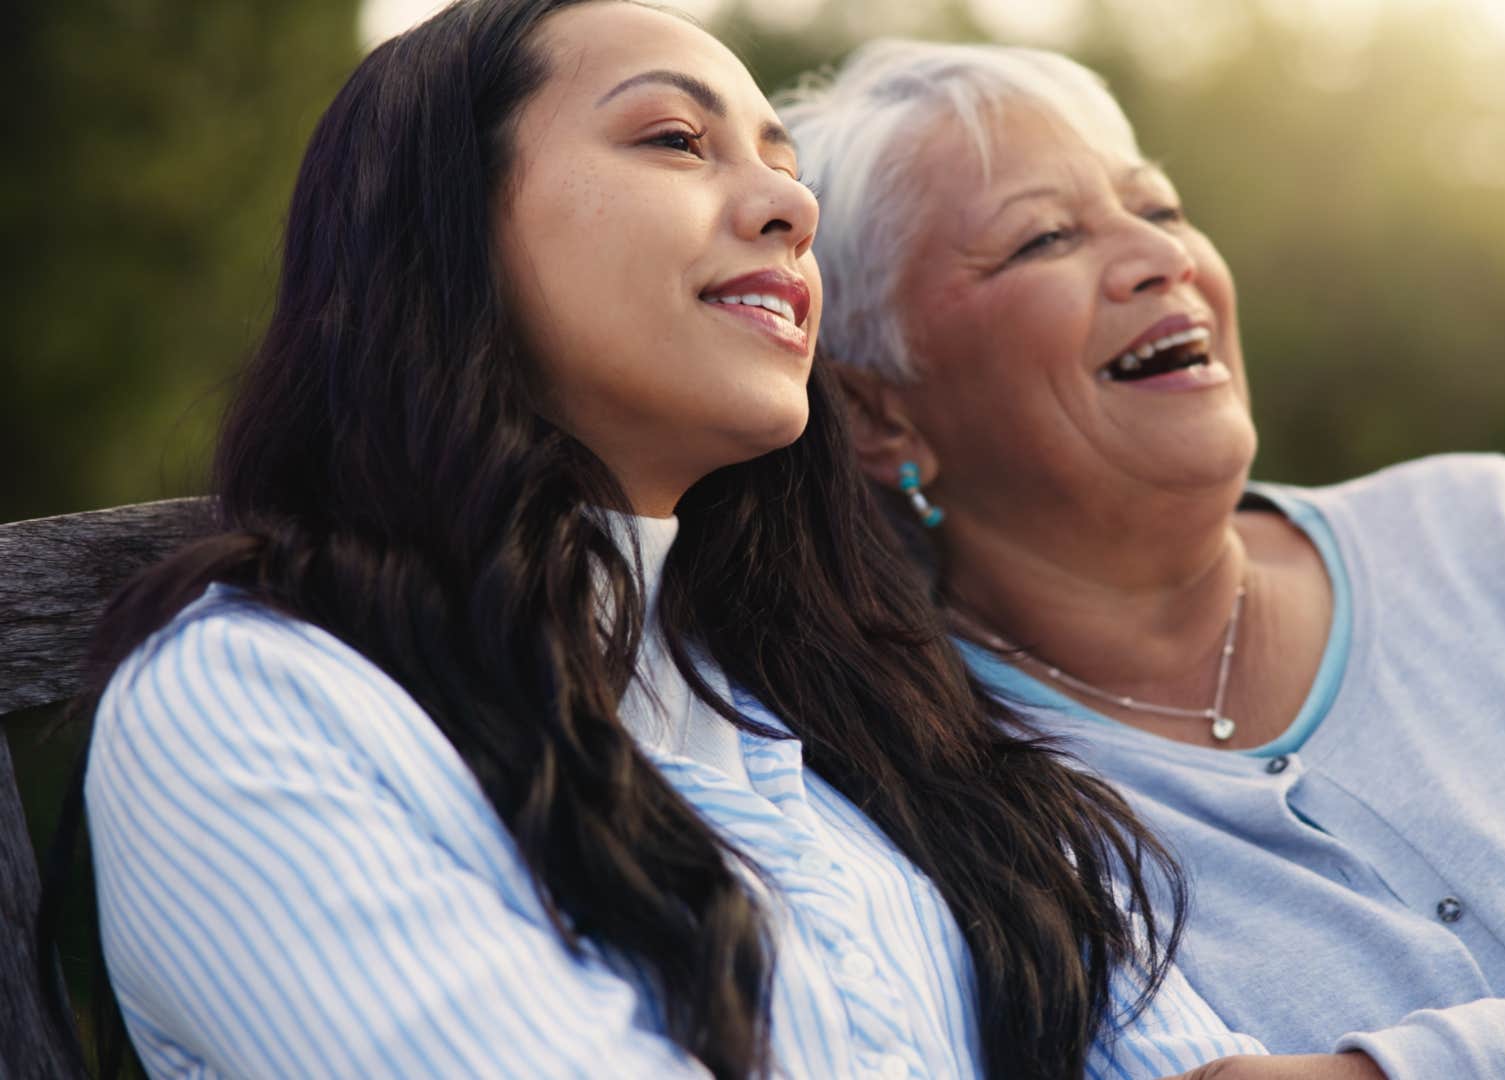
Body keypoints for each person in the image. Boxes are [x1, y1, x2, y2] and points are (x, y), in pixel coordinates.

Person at [61, 4, 1275, 1077]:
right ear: (443, 229)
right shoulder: (255, 704)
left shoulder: (874, 711)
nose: (792, 207)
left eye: (783, 164)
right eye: (676, 141)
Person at [779, 38, 1505, 1080]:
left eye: (1161, 208)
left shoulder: (1487, 529)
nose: (1154, 258)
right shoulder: (916, 799)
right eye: (1044, 237)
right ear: (879, 414)